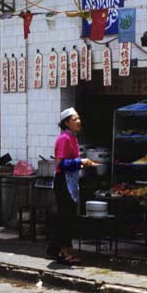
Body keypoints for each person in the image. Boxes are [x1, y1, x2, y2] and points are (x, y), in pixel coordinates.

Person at [46, 108, 93, 265]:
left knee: (67, 217)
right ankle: (63, 252)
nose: (78, 121)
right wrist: (80, 161)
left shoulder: (73, 138)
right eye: (74, 119)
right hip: (63, 181)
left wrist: (81, 164)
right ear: (66, 123)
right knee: (66, 218)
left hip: (70, 181)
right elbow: (61, 163)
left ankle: (55, 248)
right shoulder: (64, 138)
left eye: (79, 118)